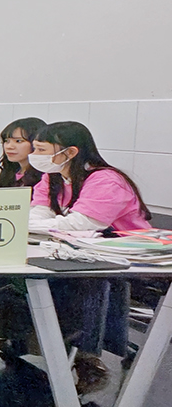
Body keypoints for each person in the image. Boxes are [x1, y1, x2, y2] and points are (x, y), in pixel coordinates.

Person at [27, 122, 151, 390]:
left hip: (130, 259)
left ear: (70, 152)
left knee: (86, 283)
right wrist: (33, 224)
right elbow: (39, 213)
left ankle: (88, 358)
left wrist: (34, 225)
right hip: (83, 252)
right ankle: (37, 340)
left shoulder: (106, 180)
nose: (34, 155)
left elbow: (80, 224)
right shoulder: (53, 177)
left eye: (41, 150)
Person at [0, 117, 47, 189]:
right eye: (7, 141)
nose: (9, 146)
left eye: (18, 141)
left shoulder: (46, 177)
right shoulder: (9, 172)